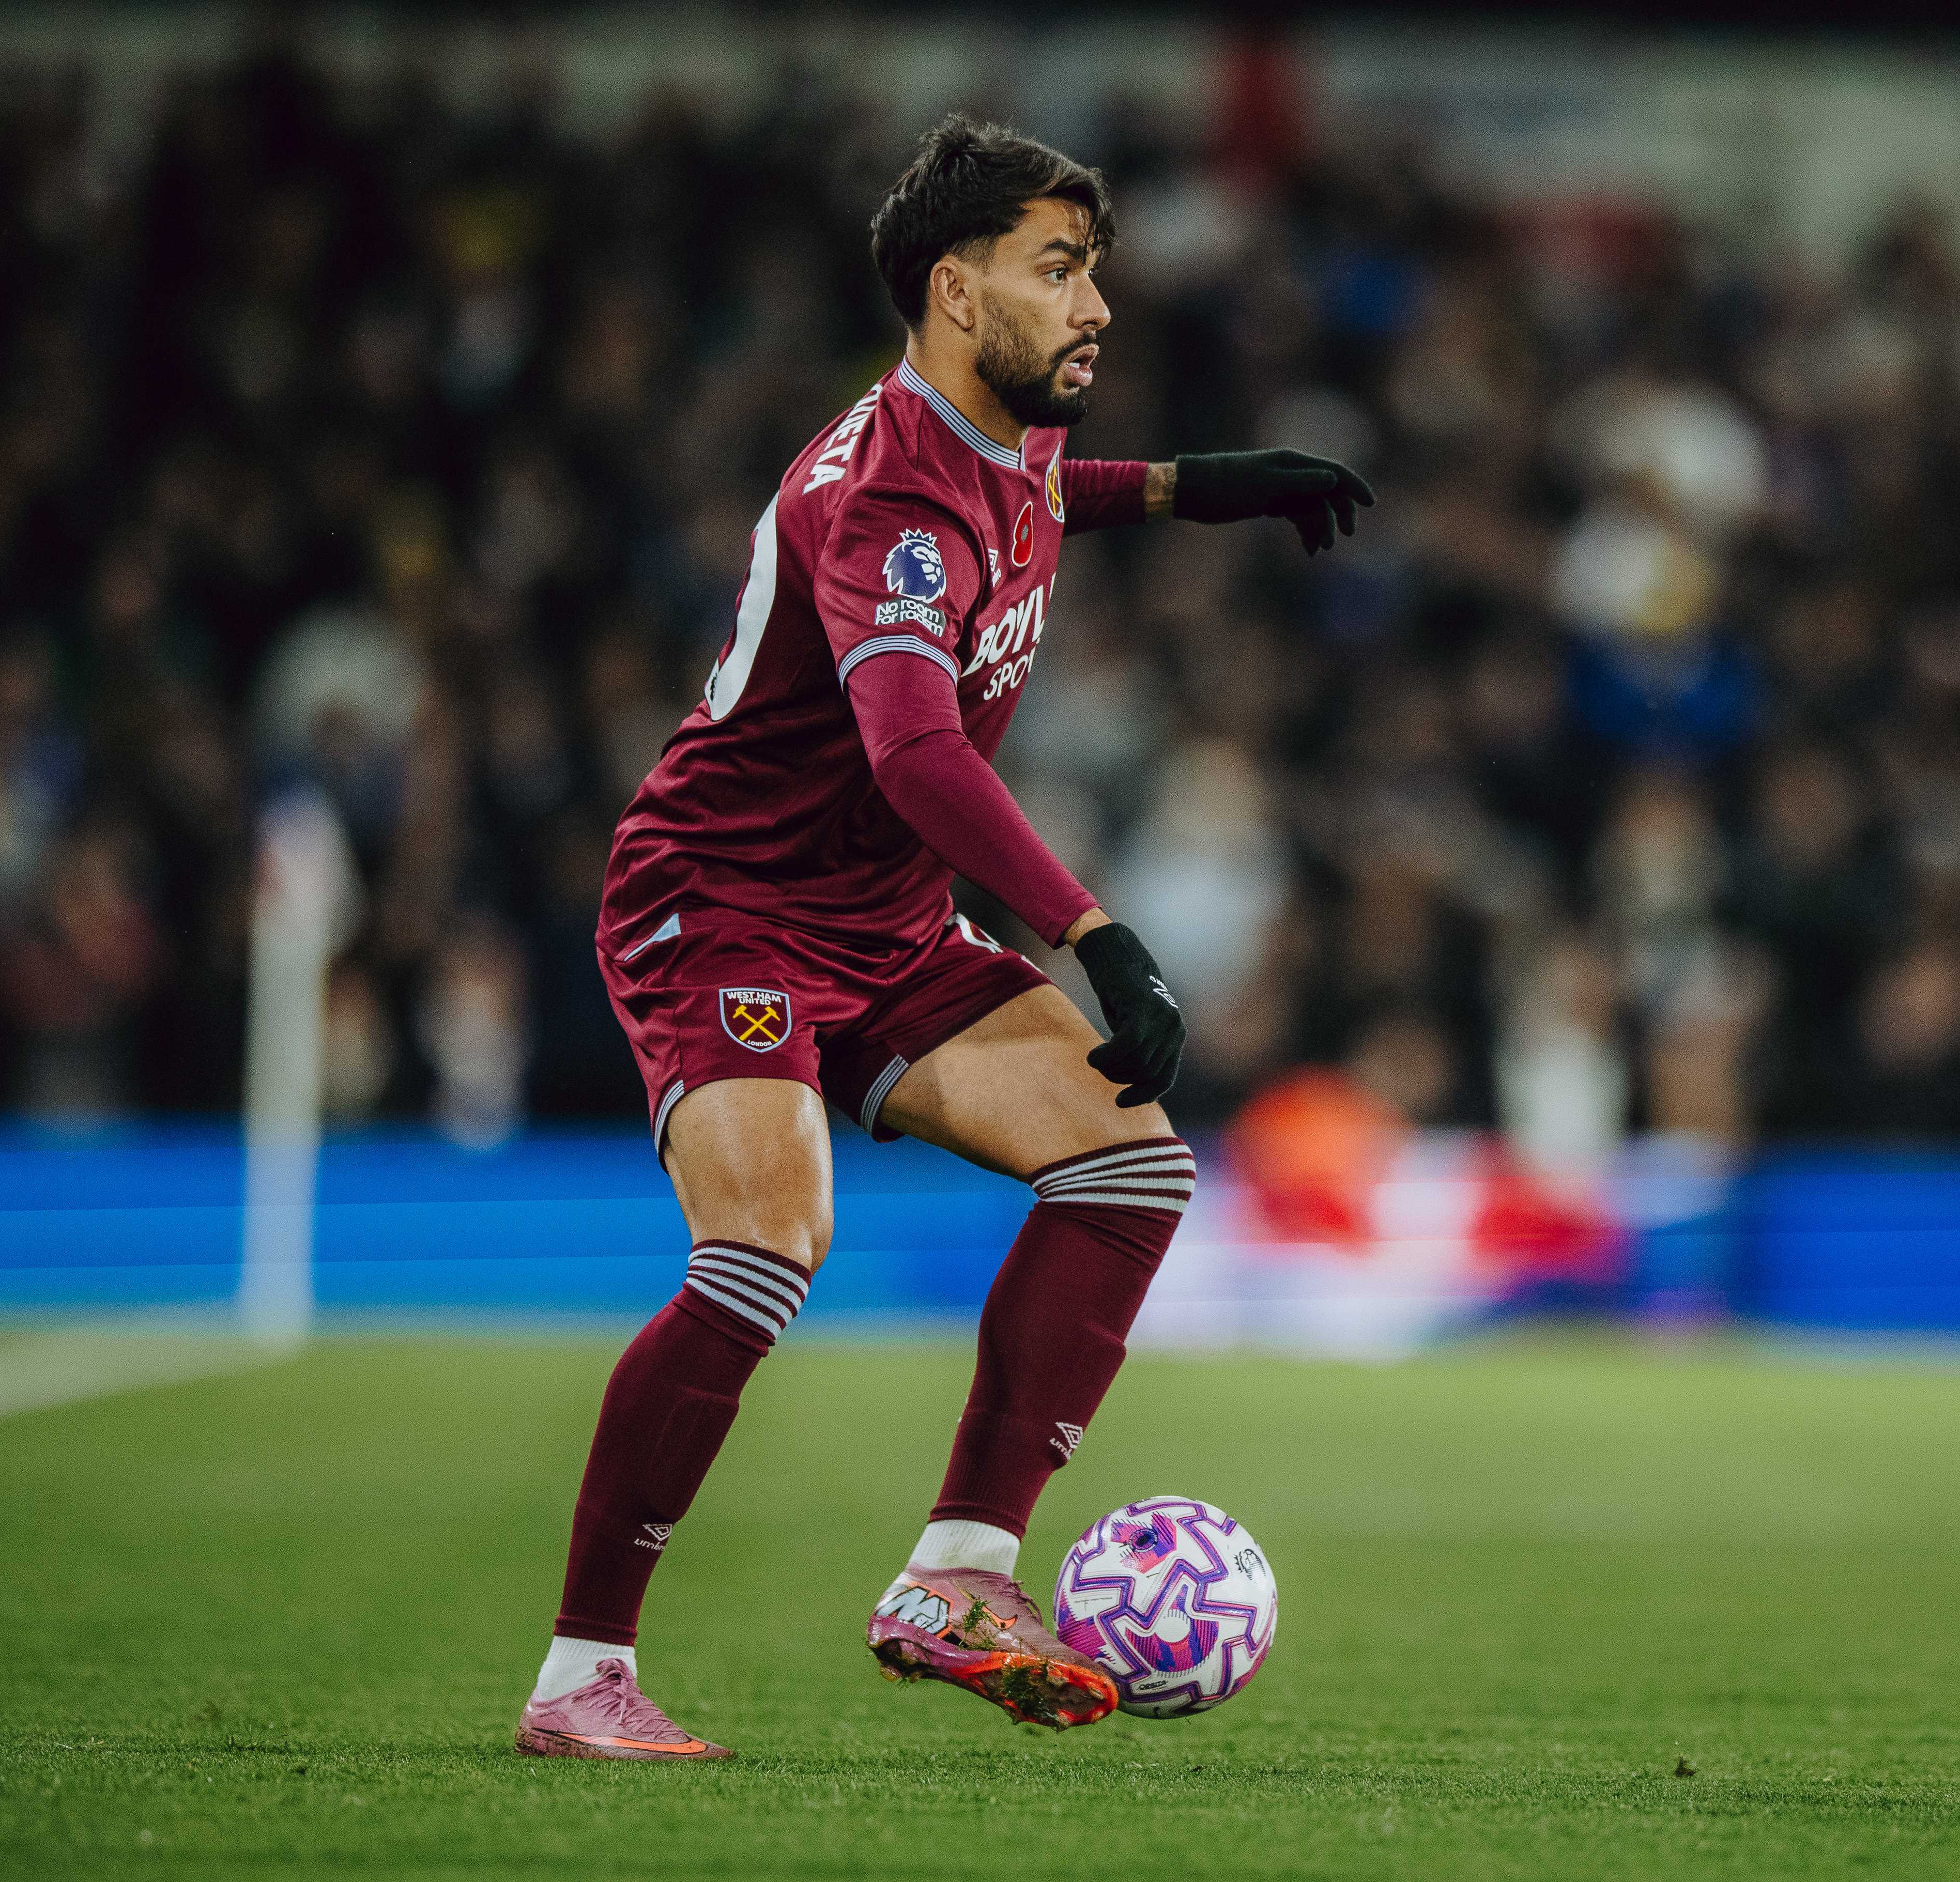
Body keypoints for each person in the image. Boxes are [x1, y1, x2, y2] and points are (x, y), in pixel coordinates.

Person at [512, 118, 1371, 1760]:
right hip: (728, 904)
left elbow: (1047, 492)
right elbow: (914, 750)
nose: (1097, 301)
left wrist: (1196, 490)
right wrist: (1096, 933)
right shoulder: (891, 497)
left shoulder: (1001, 426)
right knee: (767, 1246)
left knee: (1132, 1163)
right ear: (955, 292)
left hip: (882, 915)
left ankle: (962, 1570)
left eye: (1095, 266)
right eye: (1061, 269)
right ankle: (580, 1675)